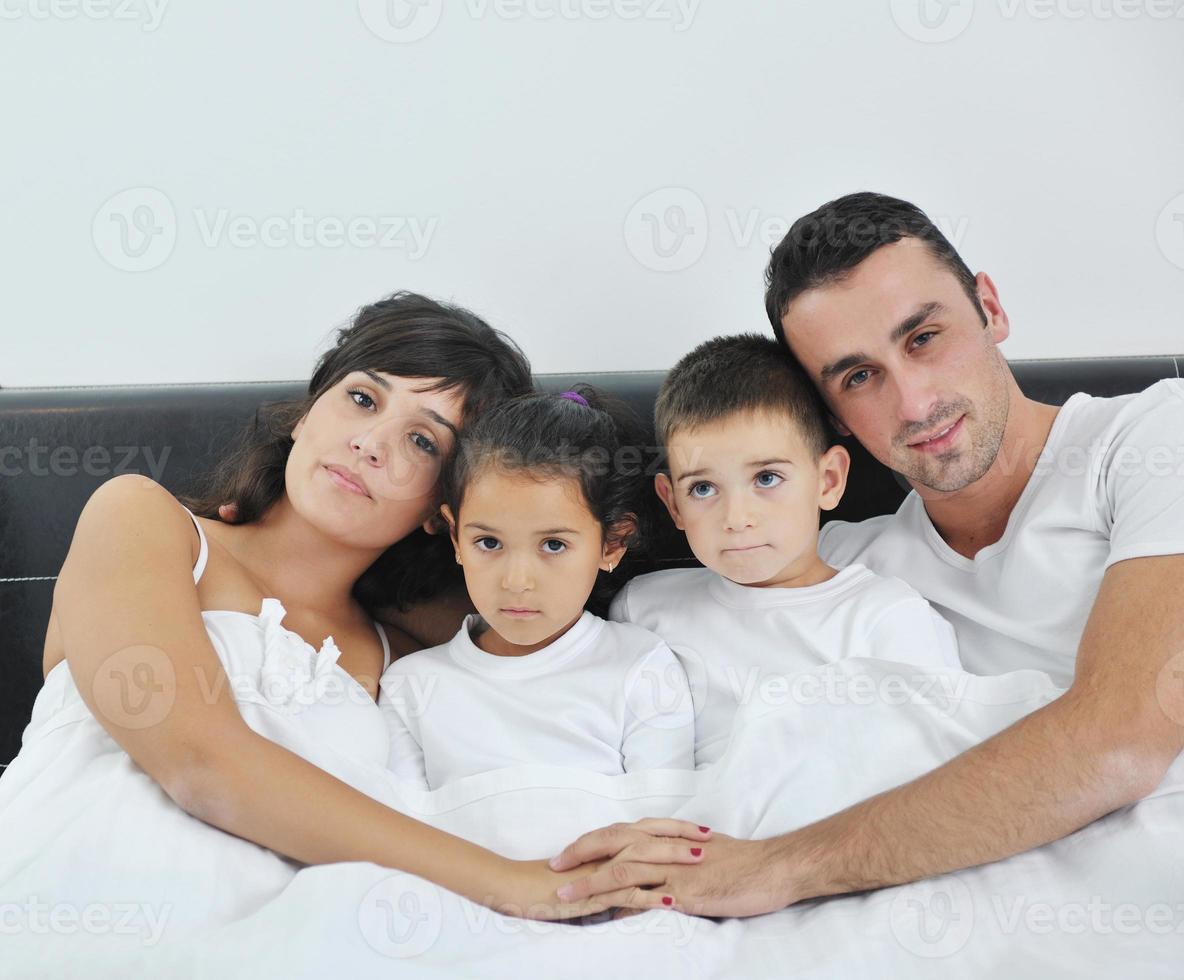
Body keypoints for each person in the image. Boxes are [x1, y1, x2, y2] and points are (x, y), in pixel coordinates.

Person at [548, 192, 1184, 917]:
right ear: (832, 429)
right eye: (858, 377)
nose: (913, 403)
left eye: (923, 338)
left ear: (991, 309)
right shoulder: (837, 565)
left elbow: (1123, 737)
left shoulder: (1152, 441)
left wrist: (778, 869)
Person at [0, 291, 711, 935]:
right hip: (71, 906)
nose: (370, 444)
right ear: (308, 409)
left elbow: (576, 659)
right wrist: (513, 886)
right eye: (363, 400)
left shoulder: (408, 655)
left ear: (450, 510)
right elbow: (198, 764)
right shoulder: (143, 520)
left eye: (422, 440)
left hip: (293, 938)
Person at [608, 333, 961, 768]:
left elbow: (937, 768)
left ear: (827, 480)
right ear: (673, 503)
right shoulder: (643, 609)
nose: (736, 517)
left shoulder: (885, 618)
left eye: (767, 479)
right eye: (703, 488)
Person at [381, 386, 696, 790]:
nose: (516, 581)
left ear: (612, 542)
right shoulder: (411, 686)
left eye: (553, 545)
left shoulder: (641, 667)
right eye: (489, 543)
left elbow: (662, 818)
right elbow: (403, 831)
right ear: (457, 538)